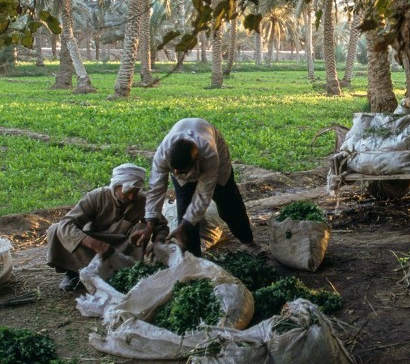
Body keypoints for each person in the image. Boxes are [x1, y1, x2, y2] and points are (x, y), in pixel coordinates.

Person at [132, 118, 258, 256]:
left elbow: (204, 194)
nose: (176, 174)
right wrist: (150, 224)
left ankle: (248, 242)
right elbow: (156, 189)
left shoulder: (209, 154)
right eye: (174, 171)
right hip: (184, 158)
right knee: (185, 208)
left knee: (228, 203)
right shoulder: (162, 155)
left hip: (216, 162)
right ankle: (193, 257)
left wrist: (183, 226)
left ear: (196, 161)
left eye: (181, 171)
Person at [46, 162, 148, 292]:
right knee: (56, 229)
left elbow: (158, 224)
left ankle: (126, 272)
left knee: (141, 227)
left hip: (119, 247)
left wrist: (156, 237)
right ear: (116, 186)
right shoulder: (96, 197)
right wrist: (94, 244)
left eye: (136, 191)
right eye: (127, 191)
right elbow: (67, 223)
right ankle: (74, 272)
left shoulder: (140, 201)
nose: (131, 196)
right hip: (91, 246)